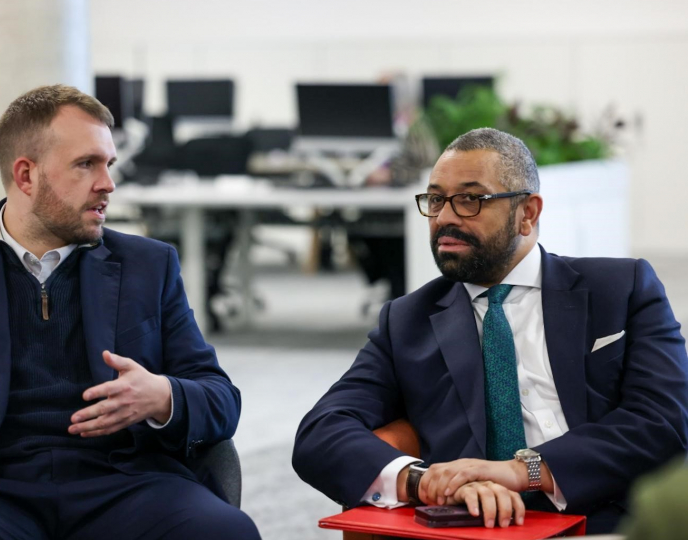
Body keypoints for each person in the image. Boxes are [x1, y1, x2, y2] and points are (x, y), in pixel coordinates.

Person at [0, 85, 259, 540]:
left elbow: (220, 398)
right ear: (26, 176)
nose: (108, 182)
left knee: (225, 532)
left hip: (122, 484)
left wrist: (162, 395)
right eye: (87, 164)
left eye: (109, 163)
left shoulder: (149, 265)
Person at [293, 127, 688, 535]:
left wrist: (522, 472)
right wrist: (420, 480)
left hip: (619, 521)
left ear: (527, 214)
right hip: (481, 528)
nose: (444, 217)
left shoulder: (620, 288)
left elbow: (665, 421)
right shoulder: (407, 321)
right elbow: (320, 434)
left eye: (469, 199)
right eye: (435, 199)